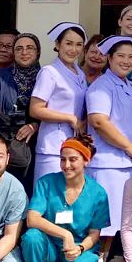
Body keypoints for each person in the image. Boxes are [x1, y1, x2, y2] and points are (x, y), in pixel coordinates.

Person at [20, 136, 110, 262]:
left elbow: (95, 233)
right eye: (62, 159)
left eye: (73, 159)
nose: (66, 165)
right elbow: (32, 218)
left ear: (86, 160)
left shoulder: (98, 193)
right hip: (51, 248)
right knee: (32, 237)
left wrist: (80, 248)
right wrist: (64, 234)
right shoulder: (46, 183)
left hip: (79, 249)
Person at [86, 36, 132, 255]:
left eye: (131, 57)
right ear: (109, 58)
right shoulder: (101, 86)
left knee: (125, 222)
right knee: (105, 222)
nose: (126, 61)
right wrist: (130, 148)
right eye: (121, 56)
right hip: (109, 165)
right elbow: (99, 122)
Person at [0, 31, 41, 189]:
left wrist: (35, 125)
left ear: (38, 52)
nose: (24, 52)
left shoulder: (46, 77)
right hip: (6, 147)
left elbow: (52, 110)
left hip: (37, 147)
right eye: (19, 48)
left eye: (29, 48)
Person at [29, 22, 88, 184]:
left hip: (74, 146)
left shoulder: (80, 74)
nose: (73, 49)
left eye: (78, 44)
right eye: (68, 43)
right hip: (52, 147)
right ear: (57, 44)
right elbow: (35, 109)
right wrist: (70, 118)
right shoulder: (50, 72)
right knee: (49, 197)